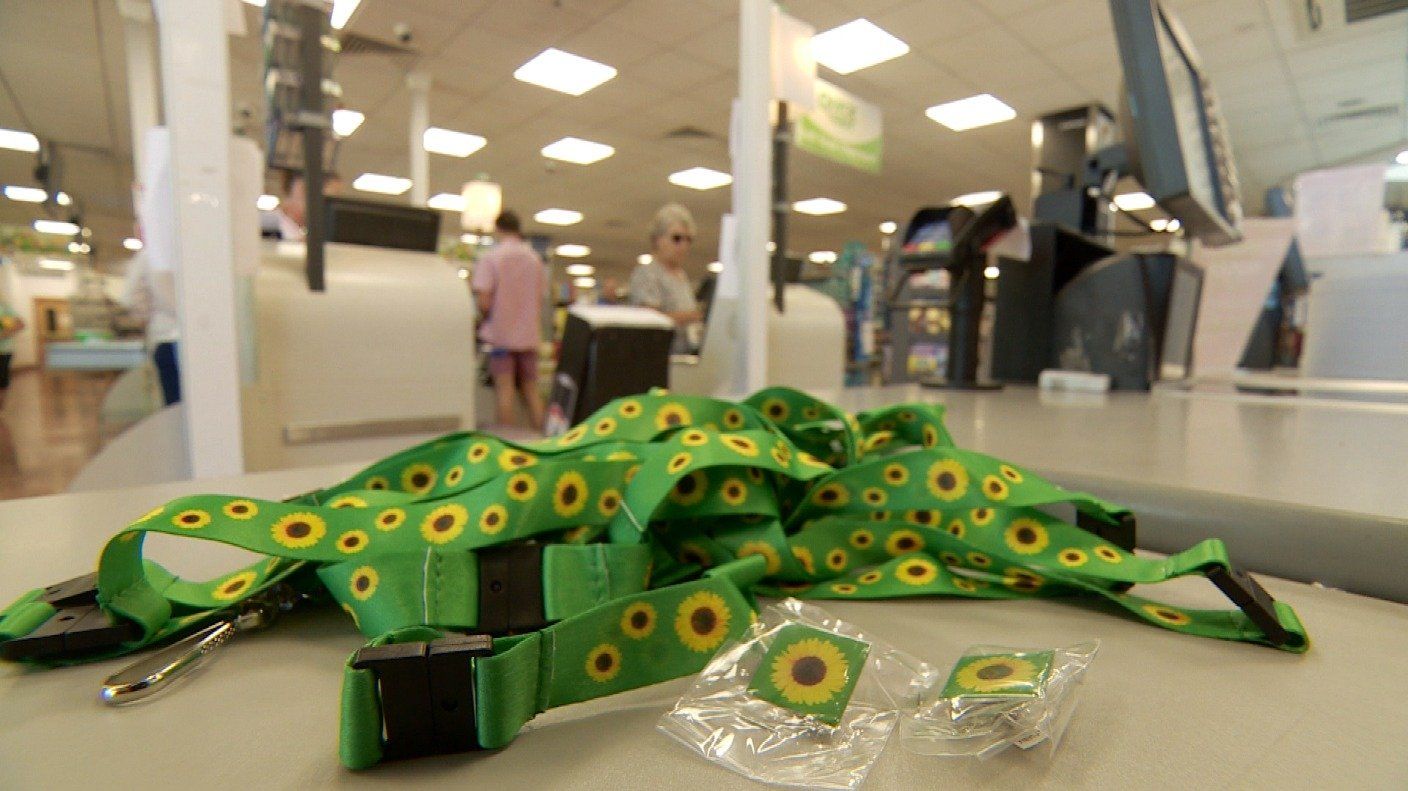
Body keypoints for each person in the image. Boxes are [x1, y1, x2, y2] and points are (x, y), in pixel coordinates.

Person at [472, 210, 548, 430]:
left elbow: (484, 302)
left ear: (498, 229)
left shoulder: (492, 258)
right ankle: (546, 441)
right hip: (529, 337)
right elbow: (540, 298)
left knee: (504, 389)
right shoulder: (535, 260)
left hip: (501, 338)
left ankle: (507, 443)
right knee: (531, 390)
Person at [630, 203, 703, 353]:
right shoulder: (647, 274)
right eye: (676, 238)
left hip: (684, 359)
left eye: (688, 240)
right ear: (657, 239)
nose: (683, 246)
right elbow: (649, 322)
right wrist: (692, 316)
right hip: (658, 359)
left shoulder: (681, 276)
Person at [121, 249, 181, 406]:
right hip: (204, 337)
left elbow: (131, 297)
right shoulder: (198, 248)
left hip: (166, 337)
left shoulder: (149, 256)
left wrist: (144, 318)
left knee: (176, 407)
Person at [264, 170, 343, 240]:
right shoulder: (265, 228)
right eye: (328, 201)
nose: (330, 209)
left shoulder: (301, 237)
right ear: (303, 189)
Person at [0, 292, 24, 410]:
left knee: (2, 379)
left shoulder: (4, 309)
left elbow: (20, 324)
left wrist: (5, 334)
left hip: (3, 350)